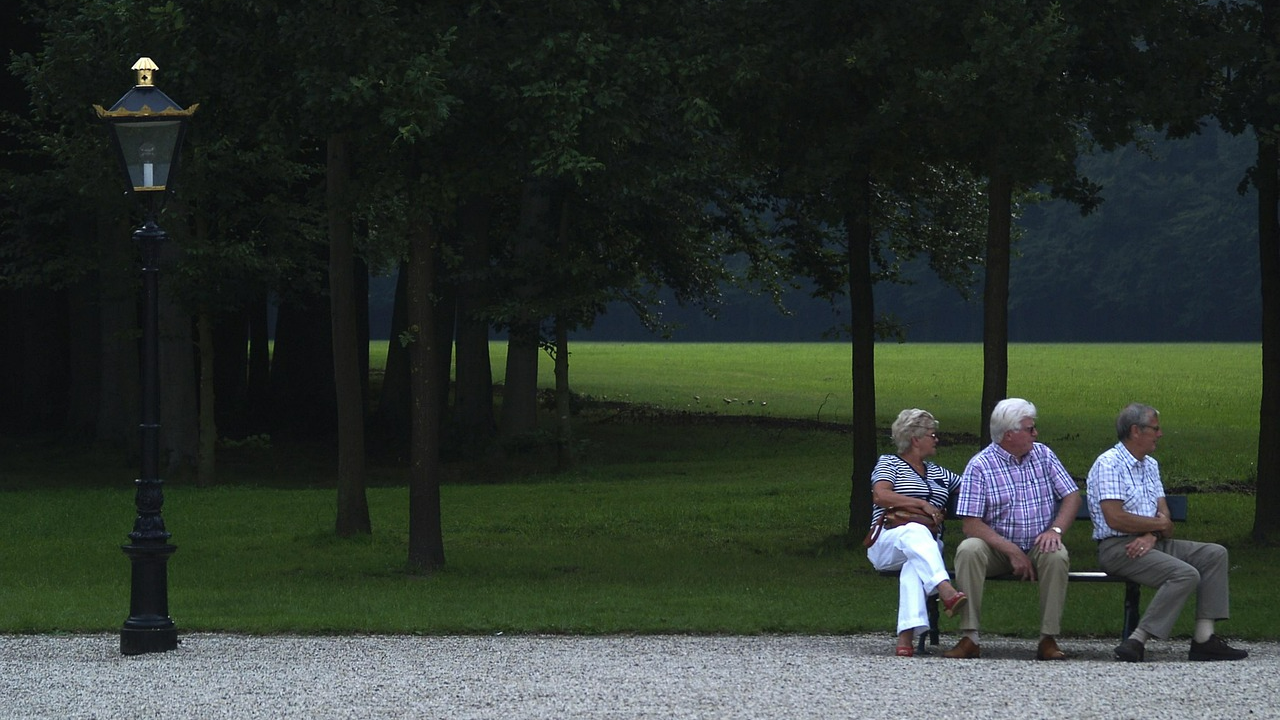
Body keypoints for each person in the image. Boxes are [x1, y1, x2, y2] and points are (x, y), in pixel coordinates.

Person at [1086, 402, 1248, 663]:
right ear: (1136, 431)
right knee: (1185, 574)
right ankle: (1137, 640)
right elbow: (1115, 518)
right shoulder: (1109, 464)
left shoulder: (1150, 465)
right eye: (1155, 428)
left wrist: (1152, 535)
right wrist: (1156, 526)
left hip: (1152, 543)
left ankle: (1204, 639)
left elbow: (1165, 519)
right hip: (1118, 548)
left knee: (1214, 554)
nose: (1160, 434)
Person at [944, 398, 1081, 660]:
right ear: (1009, 434)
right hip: (997, 549)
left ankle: (1048, 638)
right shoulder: (980, 466)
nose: (1035, 433)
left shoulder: (1043, 455)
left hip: (1039, 544)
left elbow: (1072, 496)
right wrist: (1011, 551)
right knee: (969, 550)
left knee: (1057, 554)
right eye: (1030, 429)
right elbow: (971, 524)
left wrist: (1055, 531)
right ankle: (970, 637)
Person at [865, 408, 968, 657]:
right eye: (932, 435)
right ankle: (945, 589)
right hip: (888, 542)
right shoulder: (889, 463)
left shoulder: (939, 473)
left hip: (927, 547)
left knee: (915, 563)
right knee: (914, 531)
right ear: (915, 439)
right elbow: (881, 495)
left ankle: (905, 638)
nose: (936, 439)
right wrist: (920, 504)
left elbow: (971, 488)